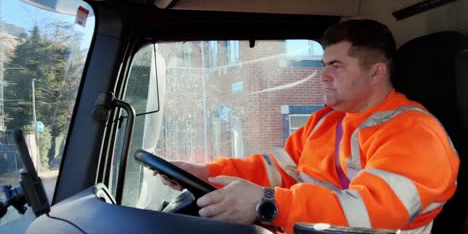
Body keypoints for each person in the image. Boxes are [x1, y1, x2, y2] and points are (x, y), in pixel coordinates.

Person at [157, 19, 459, 233]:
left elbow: (373, 213)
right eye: (324, 64)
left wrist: (270, 204)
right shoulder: (326, 121)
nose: (323, 75)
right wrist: (205, 173)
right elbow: (276, 169)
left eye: (335, 66)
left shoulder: (415, 132)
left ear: (377, 72)